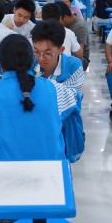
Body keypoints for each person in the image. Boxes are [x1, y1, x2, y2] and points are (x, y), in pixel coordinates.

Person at [0, 33, 80, 162]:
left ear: (1, 64)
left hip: (5, 167)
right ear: (32, 60)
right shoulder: (54, 88)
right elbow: (77, 98)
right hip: (52, 166)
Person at [32, 21, 86, 163]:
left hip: (64, 125)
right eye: (36, 51)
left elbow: (71, 100)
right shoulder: (30, 64)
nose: (41, 58)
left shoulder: (73, 65)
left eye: (48, 53)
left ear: (61, 50)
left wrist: (38, 85)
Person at [57, 1, 89, 70]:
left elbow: (80, 53)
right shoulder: (65, 25)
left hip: (81, 60)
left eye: (57, 20)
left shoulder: (80, 27)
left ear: (64, 17)